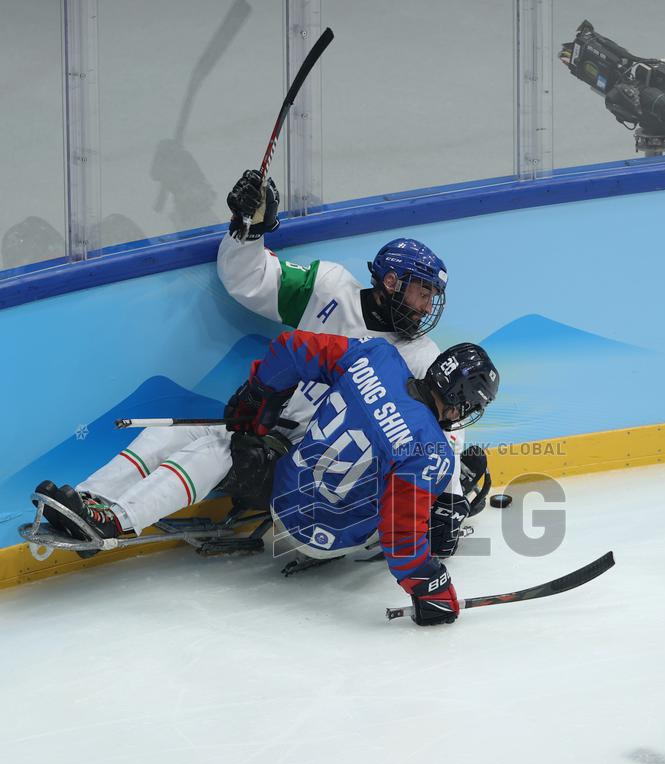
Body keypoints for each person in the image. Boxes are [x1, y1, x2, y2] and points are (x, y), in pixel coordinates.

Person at [33, 170, 475, 559]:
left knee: (217, 449)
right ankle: (91, 498)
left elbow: (443, 433)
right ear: (392, 282)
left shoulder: (421, 356)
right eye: (422, 293)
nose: (426, 307)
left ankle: (117, 521)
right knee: (181, 429)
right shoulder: (330, 287)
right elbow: (251, 280)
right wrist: (249, 230)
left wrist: (450, 498)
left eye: (432, 298)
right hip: (270, 423)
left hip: (308, 466)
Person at [221, 331, 499, 624]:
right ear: (460, 400)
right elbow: (400, 533)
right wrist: (430, 587)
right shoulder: (431, 451)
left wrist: (259, 396)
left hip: (281, 492)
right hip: (325, 540)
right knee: (425, 502)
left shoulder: (376, 355)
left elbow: (291, 348)